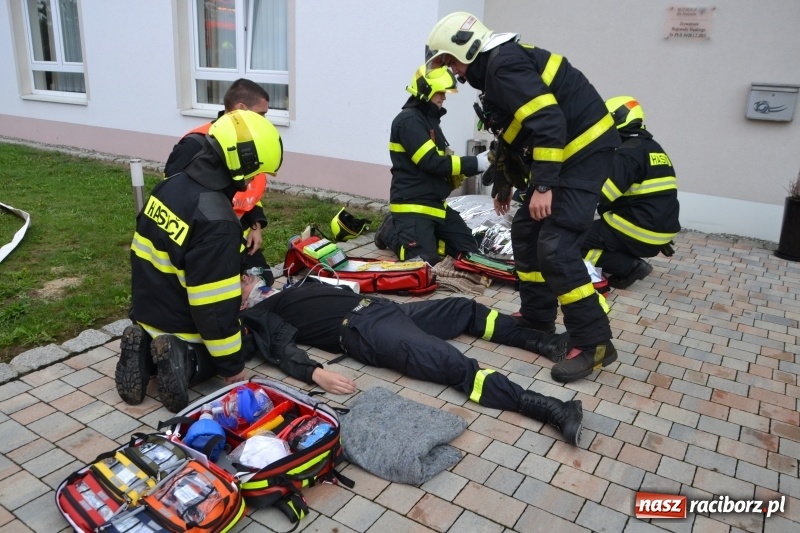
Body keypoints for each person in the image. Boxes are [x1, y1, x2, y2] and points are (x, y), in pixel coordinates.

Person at [425, 12, 621, 384]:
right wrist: (504, 183)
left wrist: (543, 186)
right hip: (566, 157)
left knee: (556, 246)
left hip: (582, 155)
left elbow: (549, 122)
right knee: (527, 232)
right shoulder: (498, 68)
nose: (455, 73)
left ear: (466, 49)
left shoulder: (503, 67)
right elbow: (516, 135)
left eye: (452, 62)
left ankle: (594, 343)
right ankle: (537, 318)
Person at [242, 276, 584, 446]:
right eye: (242, 281)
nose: (248, 278)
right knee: (449, 362)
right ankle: (548, 408)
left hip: (383, 309)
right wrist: (315, 373)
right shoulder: (259, 313)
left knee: (463, 308)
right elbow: (278, 347)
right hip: (365, 331)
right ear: (241, 302)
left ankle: (545, 342)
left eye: (245, 275)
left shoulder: (291, 287)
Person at [116, 109, 284, 412]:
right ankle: (186, 361)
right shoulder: (217, 221)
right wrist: (233, 367)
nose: (253, 181)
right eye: (255, 172)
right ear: (242, 164)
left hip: (146, 308)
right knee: (244, 339)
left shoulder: (171, 185)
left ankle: (144, 350)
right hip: (181, 323)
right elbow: (213, 307)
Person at [373, 64, 490, 265]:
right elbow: (432, 162)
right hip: (412, 205)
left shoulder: (429, 121)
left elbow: (443, 164)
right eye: (440, 92)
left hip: (435, 205)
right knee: (423, 261)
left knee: (470, 254)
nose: (444, 97)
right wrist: (475, 163)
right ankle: (390, 230)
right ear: (426, 90)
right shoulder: (408, 122)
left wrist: (476, 166)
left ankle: (428, 239)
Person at [164, 79, 273, 280]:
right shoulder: (196, 144)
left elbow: (251, 193)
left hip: (236, 233)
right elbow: (174, 197)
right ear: (241, 109)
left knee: (264, 280)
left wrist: (256, 225)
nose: (265, 121)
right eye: (261, 114)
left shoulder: (250, 144)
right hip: (205, 238)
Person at [582, 96, 680, 289]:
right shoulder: (653, 148)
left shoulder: (627, 153)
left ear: (618, 119)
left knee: (573, 239)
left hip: (638, 228)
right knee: (598, 232)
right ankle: (624, 257)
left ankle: (629, 267)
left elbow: (602, 194)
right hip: (660, 230)